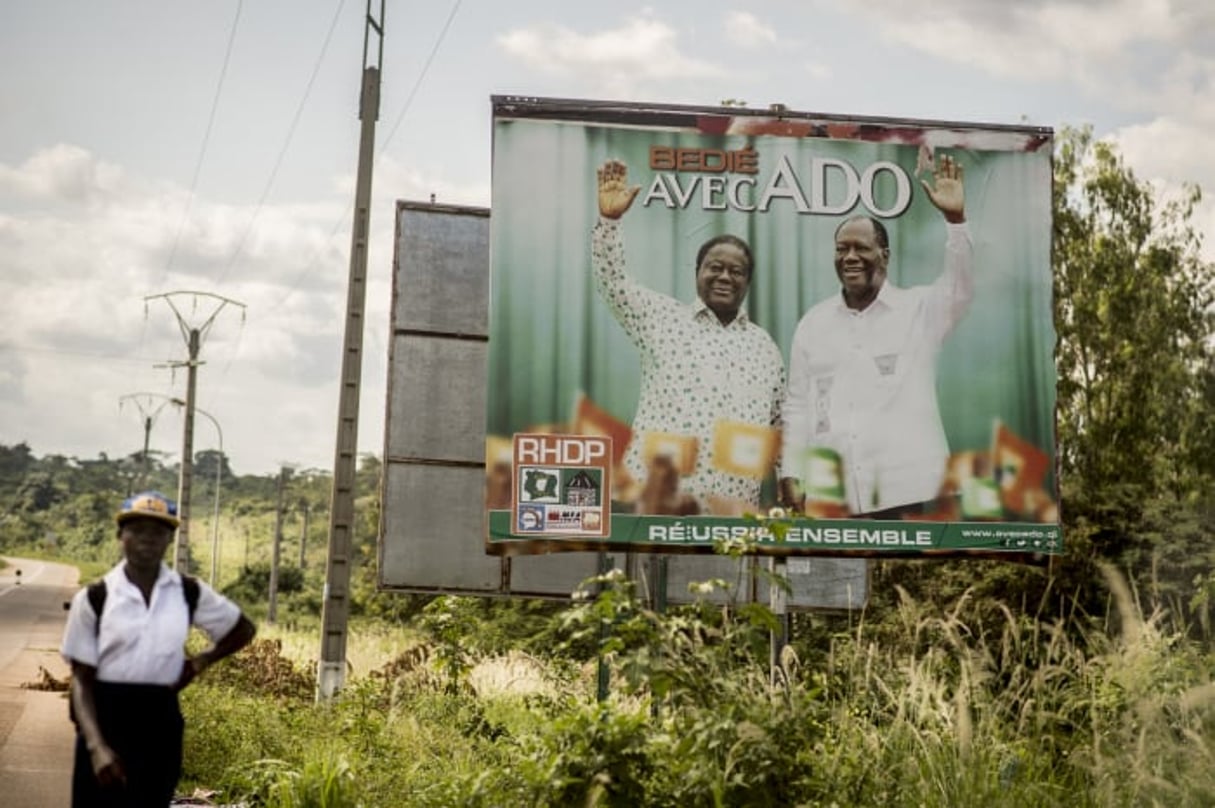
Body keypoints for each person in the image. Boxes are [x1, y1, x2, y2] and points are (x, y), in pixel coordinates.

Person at [779, 153, 973, 517]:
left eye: (861, 248)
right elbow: (798, 406)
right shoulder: (813, 323)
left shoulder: (919, 309)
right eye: (841, 249)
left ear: (884, 256)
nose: (849, 257)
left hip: (909, 492)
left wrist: (955, 221)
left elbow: (960, 288)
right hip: (833, 496)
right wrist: (791, 470)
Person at [592, 159, 785, 514]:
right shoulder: (661, 317)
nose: (725, 277)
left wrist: (789, 483)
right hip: (654, 501)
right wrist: (610, 222)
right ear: (698, 272)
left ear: (747, 282)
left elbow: (779, 426)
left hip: (732, 514)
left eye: (736, 271)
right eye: (715, 267)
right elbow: (612, 283)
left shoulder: (765, 347)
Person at [61, 490, 256, 807]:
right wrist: (96, 747)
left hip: (159, 719)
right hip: (104, 716)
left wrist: (199, 662)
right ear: (120, 535)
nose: (147, 539)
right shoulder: (96, 597)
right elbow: (80, 681)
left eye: (158, 531)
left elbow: (243, 628)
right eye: (137, 530)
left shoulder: (187, 592)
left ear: (170, 538)